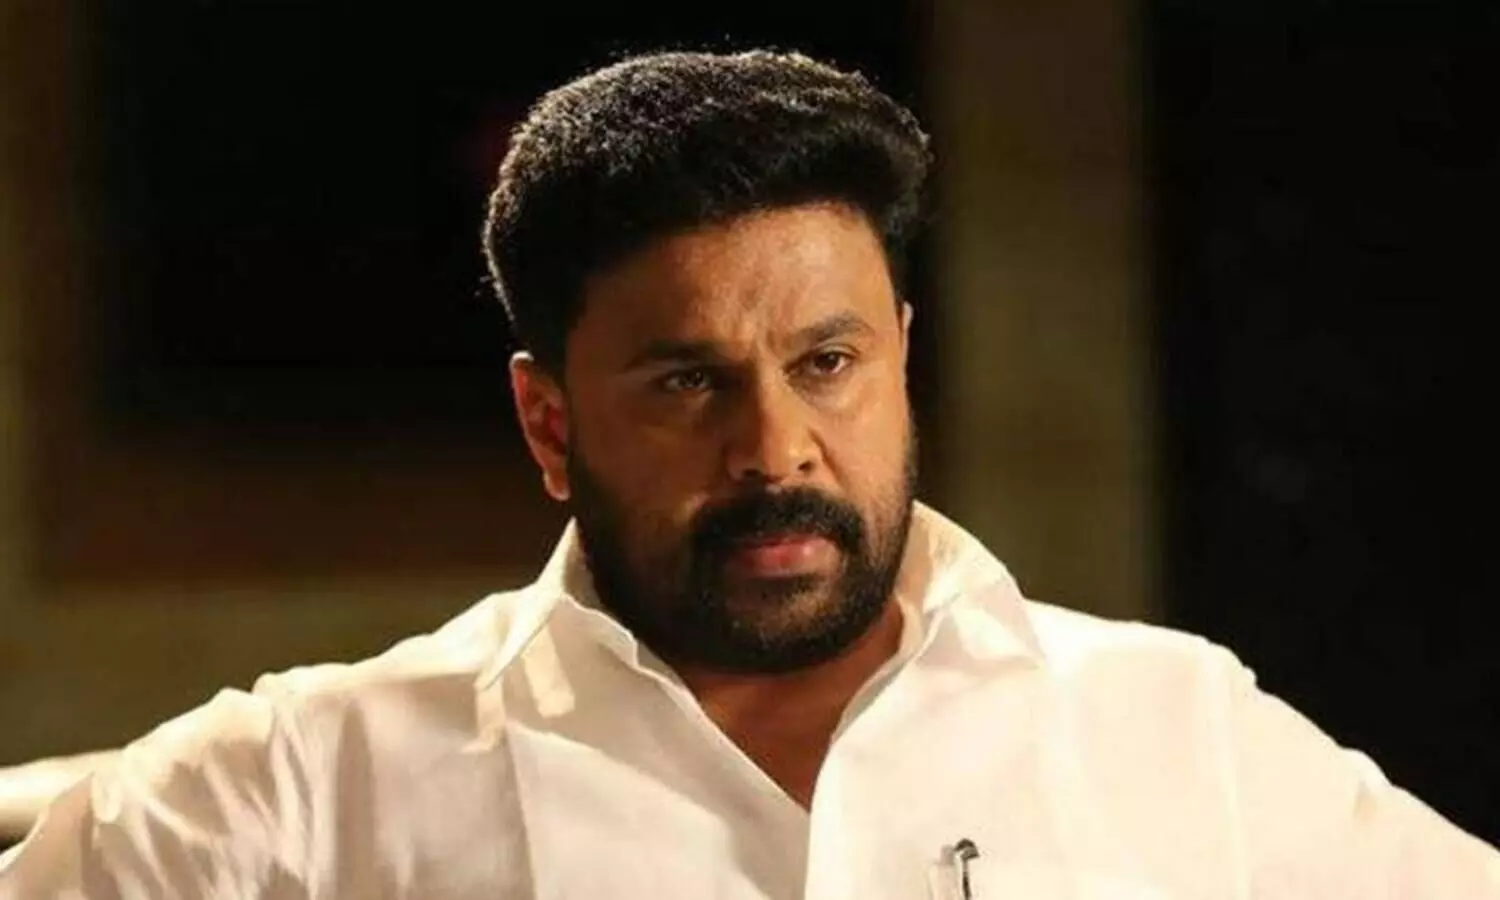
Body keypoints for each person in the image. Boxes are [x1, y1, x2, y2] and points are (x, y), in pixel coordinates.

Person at [1, 48, 1496, 899]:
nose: (776, 449)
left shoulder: (1170, 728)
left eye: (826, 363)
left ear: (900, 356)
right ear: (549, 425)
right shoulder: (305, 790)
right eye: (686, 382)